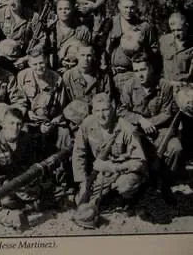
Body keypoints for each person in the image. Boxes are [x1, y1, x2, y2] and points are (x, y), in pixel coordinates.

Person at [72, 93, 147, 228]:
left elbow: (139, 162)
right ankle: (108, 196)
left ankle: (129, 201)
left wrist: (111, 167)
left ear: (112, 108)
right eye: (97, 111)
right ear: (92, 111)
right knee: (83, 204)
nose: (101, 115)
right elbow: (79, 153)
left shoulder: (126, 128)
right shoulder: (88, 124)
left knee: (126, 185)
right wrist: (82, 182)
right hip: (101, 174)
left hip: (124, 172)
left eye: (105, 110)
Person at [118, 54, 181, 202]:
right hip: (138, 132)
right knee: (132, 152)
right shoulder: (129, 86)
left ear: (151, 69)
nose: (140, 74)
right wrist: (140, 120)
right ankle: (137, 188)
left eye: (143, 69)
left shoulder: (164, 86)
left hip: (160, 131)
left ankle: (165, 185)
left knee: (175, 148)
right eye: (136, 70)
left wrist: (150, 122)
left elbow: (167, 112)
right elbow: (122, 110)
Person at [0, 107, 42, 208]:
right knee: (6, 200)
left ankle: (30, 202)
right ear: (3, 124)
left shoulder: (26, 139)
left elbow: (31, 165)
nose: (15, 128)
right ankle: (28, 204)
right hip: (5, 185)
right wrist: (15, 187)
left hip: (23, 180)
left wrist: (29, 183)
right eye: (11, 123)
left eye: (18, 124)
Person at [0, 0, 39, 70]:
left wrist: (26, 58)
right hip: (2, 61)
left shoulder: (32, 16)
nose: (11, 2)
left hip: (24, 59)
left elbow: (41, 41)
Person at [44, 0, 92, 71]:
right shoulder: (49, 30)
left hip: (75, 70)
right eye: (60, 9)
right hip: (51, 70)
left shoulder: (83, 30)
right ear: (56, 11)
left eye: (67, 9)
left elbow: (87, 54)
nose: (63, 11)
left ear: (72, 10)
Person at [159, 12, 193, 85]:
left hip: (185, 89)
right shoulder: (164, 41)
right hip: (168, 88)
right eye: (173, 30)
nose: (176, 34)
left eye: (179, 30)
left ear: (186, 26)